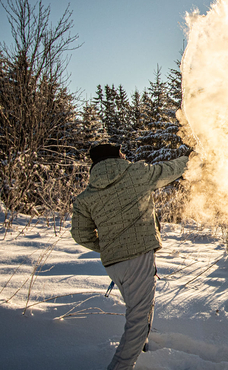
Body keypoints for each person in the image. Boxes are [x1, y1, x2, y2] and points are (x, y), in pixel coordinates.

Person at [71, 143, 189, 370]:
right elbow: (170, 170)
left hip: (114, 264)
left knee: (140, 311)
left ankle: (141, 349)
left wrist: (108, 246)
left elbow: (79, 234)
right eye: (121, 153)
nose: (125, 155)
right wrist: (190, 159)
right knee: (138, 320)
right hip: (137, 260)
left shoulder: (86, 196)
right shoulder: (136, 173)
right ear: (116, 157)